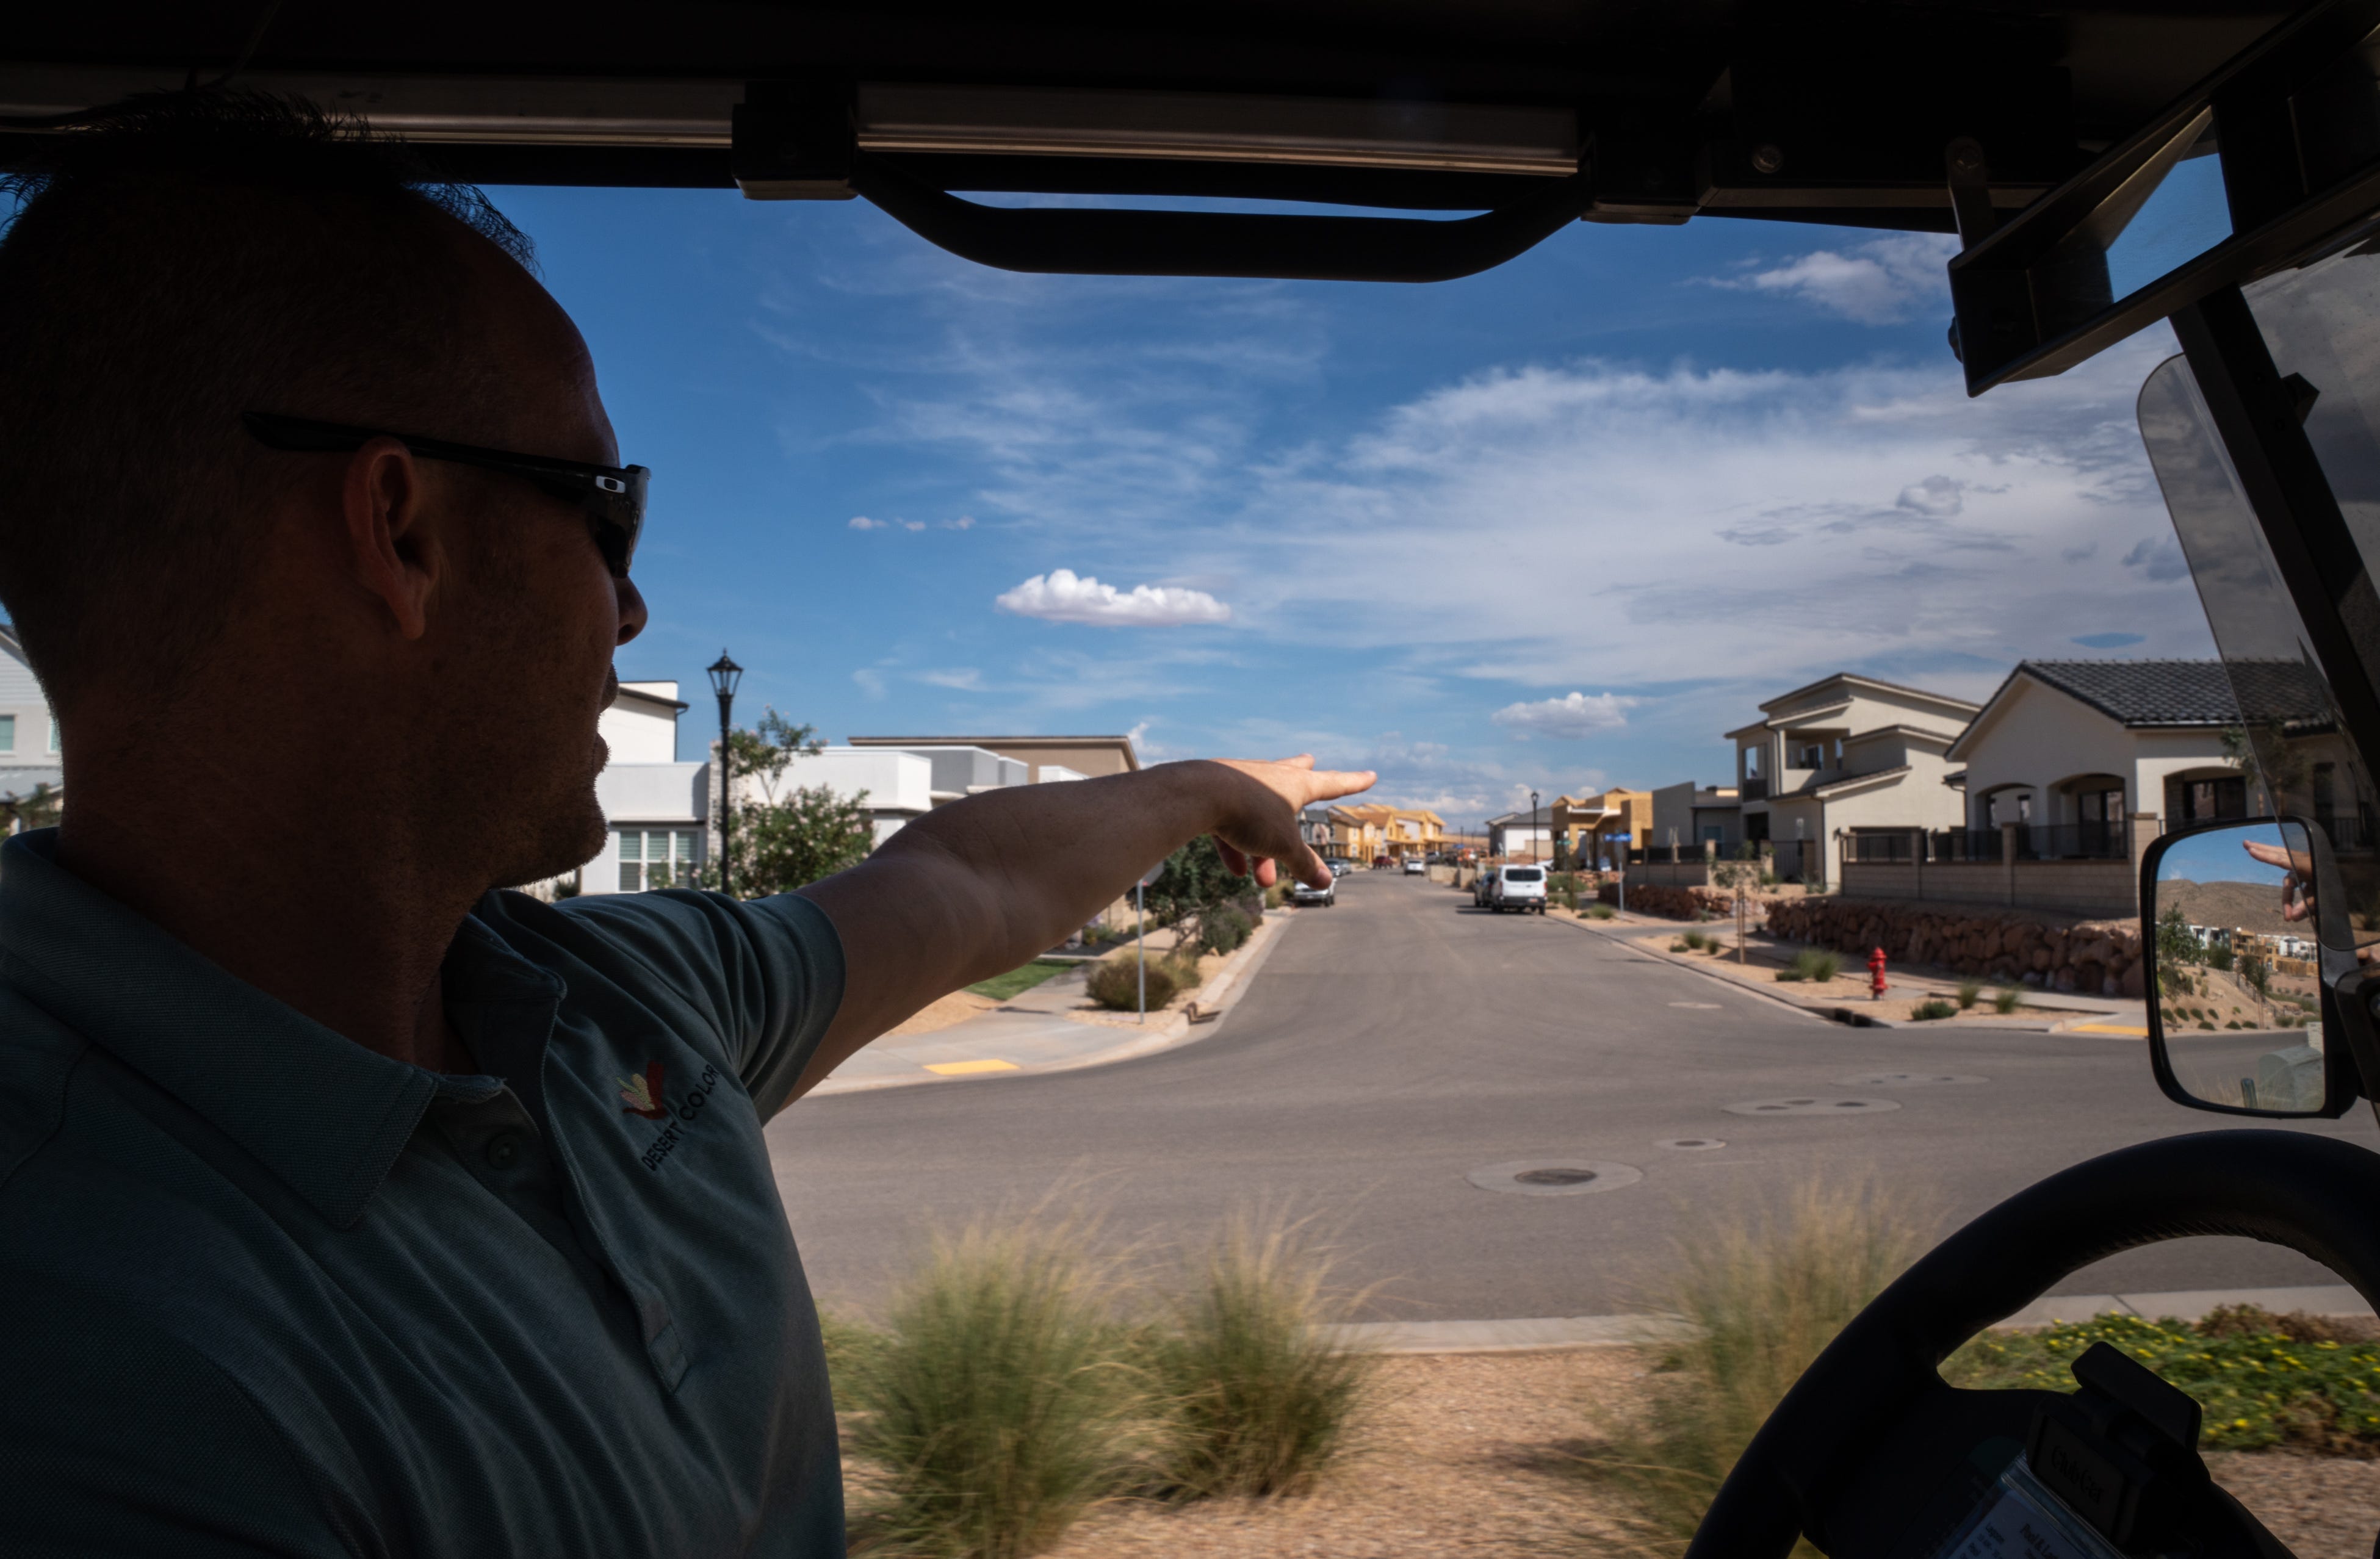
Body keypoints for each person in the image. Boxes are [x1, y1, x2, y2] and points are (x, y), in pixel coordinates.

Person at [0, 95, 1372, 1556]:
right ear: (400, 534)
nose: (636, 608)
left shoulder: (614, 1003)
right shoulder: (98, 1360)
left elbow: (963, 873)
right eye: (606, 513)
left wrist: (1202, 789)